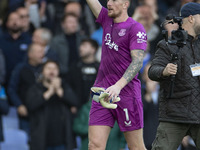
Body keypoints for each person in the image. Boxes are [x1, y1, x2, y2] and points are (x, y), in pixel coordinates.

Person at [86, 0, 147, 149]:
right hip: (102, 92)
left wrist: (118, 86)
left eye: (114, 0)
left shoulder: (135, 28)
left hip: (126, 95)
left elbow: (138, 62)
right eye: (108, 0)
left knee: (136, 147)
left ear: (125, 4)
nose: (109, 3)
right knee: (94, 145)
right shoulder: (106, 18)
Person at [148, 2, 200, 150]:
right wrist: (164, 71)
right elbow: (152, 71)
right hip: (175, 114)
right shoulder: (167, 45)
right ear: (191, 18)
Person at [25, 60, 79, 150]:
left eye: (55, 69)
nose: (52, 71)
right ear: (42, 72)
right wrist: (49, 92)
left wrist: (59, 91)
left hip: (63, 141)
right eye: (49, 68)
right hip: (41, 141)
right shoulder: (35, 88)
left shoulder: (65, 87)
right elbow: (31, 106)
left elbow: (75, 102)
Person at [8, 43, 45, 138]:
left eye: (43, 52)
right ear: (30, 54)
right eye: (39, 52)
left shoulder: (46, 68)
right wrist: (19, 105)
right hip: (25, 112)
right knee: (25, 141)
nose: (42, 54)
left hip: (43, 113)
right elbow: (12, 89)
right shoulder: (20, 68)